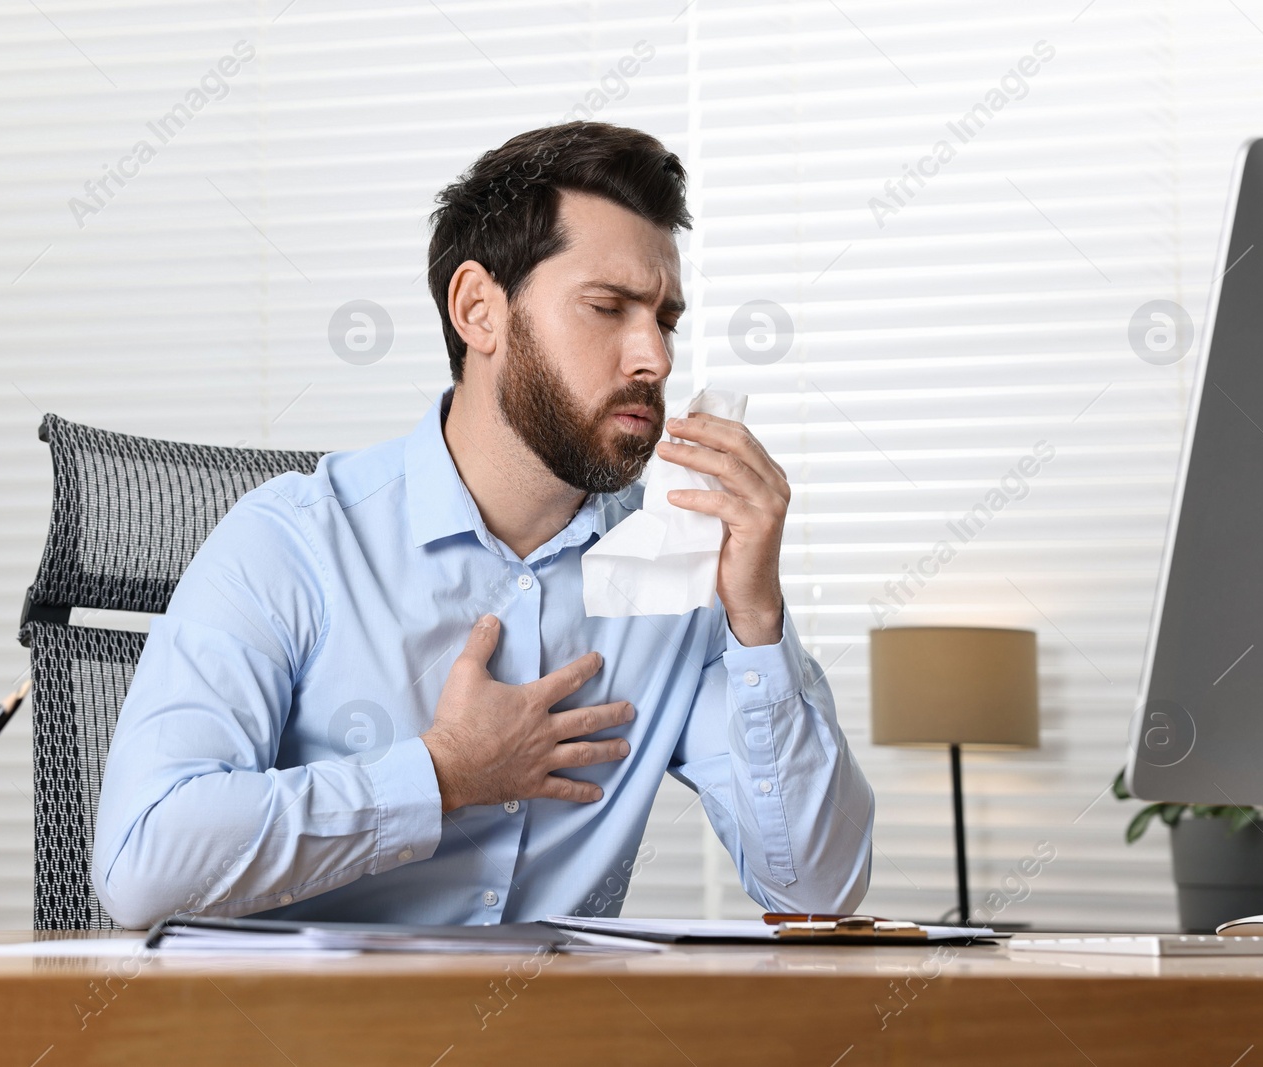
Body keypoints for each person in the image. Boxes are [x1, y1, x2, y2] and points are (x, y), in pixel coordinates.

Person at [92, 122, 873, 928]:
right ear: (479, 311)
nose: (656, 359)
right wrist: (441, 775)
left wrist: (756, 620)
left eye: (665, 320)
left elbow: (817, 889)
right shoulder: (290, 543)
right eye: (608, 307)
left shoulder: (678, 573)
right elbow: (144, 863)